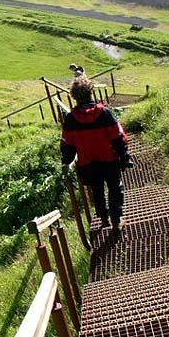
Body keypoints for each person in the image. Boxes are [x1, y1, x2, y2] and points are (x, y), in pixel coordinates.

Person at [60, 75, 132, 233]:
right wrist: (124, 156)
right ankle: (117, 219)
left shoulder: (71, 119)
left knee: (97, 190)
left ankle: (104, 219)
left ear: (74, 96)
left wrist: (66, 162)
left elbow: (67, 144)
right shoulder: (105, 113)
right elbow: (117, 136)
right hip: (109, 159)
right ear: (91, 92)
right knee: (115, 188)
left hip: (87, 162)